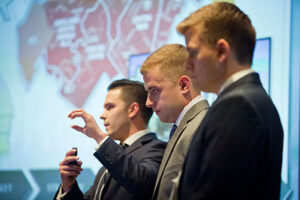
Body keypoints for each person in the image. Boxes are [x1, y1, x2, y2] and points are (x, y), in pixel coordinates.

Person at [176, 2, 284, 199]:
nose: (187, 64)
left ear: (221, 51)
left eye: (193, 52)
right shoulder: (253, 99)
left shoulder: (237, 106)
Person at [54, 79, 166, 200]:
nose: (102, 115)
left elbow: (144, 183)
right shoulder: (110, 164)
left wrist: (99, 136)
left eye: (109, 107)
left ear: (132, 110)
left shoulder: (157, 148)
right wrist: (68, 186)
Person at [140, 44, 209, 200]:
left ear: (184, 85)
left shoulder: (201, 127)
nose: (148, 103)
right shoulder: (187, 126)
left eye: (154, 91)